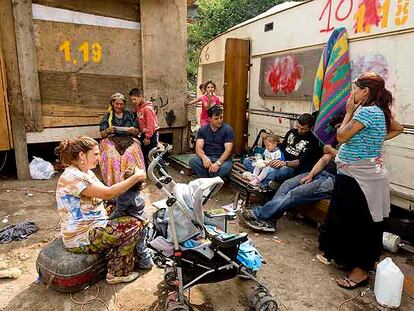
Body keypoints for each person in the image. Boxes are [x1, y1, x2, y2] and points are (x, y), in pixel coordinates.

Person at [319, 72, 403, 290]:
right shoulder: (380, 112)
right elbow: (398, 128)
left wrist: (348, 113)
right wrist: (374, 138)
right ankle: (349, 261)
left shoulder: (365, 112)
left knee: (359, 224)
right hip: (360, 175)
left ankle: (360, 273)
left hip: (360, 179)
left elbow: (341, 137)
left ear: (365, 91)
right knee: (351, 220)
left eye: (355, 89)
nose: (352, 93)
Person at [55, 136, 147, 284]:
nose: (99, 157)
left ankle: (118, 252)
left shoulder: (85, 172)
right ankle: (118, 272)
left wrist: (127, 189)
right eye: (96, 154)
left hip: (92, 222)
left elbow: (107, 193)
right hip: (81, 237)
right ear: (81, 155)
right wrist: (135, 178)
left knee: (120, 207)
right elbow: (108, 193)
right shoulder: (73, 177)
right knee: (134, 225)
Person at [240, 112, 345, 232]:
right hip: (319, 173)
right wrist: (311, 174)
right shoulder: (339, 142)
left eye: (340, 126)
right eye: (337, 128)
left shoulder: (354, 145)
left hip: (333, 179)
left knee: (294, 193)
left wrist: (331, 150)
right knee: (286, 184)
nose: (339, 130)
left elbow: (347, 160)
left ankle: (259, 213)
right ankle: (270, 220)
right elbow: (325, 159)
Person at [243, 113, 321, 188]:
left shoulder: (313, 141)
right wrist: (269, 158)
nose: (299, 130)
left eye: (303, 129)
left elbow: (299, 162)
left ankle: (260, 181)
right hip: (277, 162)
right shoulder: (292, 132)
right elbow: (281, 149)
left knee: (284, 171)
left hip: (289, 168)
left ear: (311, 128)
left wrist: (284, 163)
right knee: (247, 161)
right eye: (298, 127)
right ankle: (266, 180)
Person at [109, 168, 153, 269]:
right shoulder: (137, 194)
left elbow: (118, 212)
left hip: (139, 225)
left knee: (140, 246)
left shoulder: (125, 195)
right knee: (141, 245)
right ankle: (143, 259)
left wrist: (108, 220)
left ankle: (146, 263)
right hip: (144, 220)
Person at [99, 92, 144, 186]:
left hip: (128, 138)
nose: (119, 106)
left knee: (131, 152)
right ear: (112, 103)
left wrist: (133, 130)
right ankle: (114, 182)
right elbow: (102, 134)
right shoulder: (108, 116)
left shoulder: (130, 114)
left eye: (121, 104)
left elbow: (137, 131)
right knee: (111, 154)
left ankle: (133, 182)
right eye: (117, 104)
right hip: (111, 139)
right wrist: (107, 130)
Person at [189, 106, 234, 178]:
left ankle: (208, 178)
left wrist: (218, 163)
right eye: (216, 119)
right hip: (208, 158)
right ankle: (207, 179)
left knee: (225, 168)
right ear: (209, 119)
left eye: (221, 117)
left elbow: (228, 150)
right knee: (193, 162)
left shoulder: (228, 130)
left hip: (222, 160)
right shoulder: (203, 130)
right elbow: (198, 148)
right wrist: (204, 157)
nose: (220, 121)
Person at [129, 88, 160, 168]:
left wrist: (148, 137)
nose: (133, 102)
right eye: (132, 100)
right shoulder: (139, 108)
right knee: (143, 154)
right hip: (144, 134)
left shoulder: (148, 109)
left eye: (134, 99)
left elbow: (151, 125)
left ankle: (164, 174)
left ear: (140, 96)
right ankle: (145, 172)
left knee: (153, 155)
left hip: (151, 135)